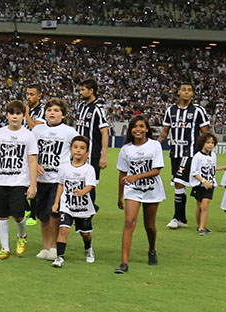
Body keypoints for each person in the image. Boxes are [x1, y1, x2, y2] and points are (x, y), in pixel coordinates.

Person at [0, 100, 38, 260]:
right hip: (0, 181)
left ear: (23, 116)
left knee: (18, 214)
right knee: (1, 215)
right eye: (12, 113)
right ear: (6, 115)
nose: (15, 117)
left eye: (18, 113)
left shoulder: (29, 135)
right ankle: (4, 249)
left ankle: (22, 236)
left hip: (19, 182)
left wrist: (33, 184)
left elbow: (32, 161)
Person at [115, 115, 165, 274]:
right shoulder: (126, 149)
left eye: (141, 126)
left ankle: (152, 249)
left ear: (147, 129)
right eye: (135, 126)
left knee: (149, 226)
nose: (138, 129)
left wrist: (136, 176)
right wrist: (120, 195)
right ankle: (124, 263)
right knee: (129, 222)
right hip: (133, 190)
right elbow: (122, 173)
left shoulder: (155, 146)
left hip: (152, 189)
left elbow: (157, 170)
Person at [158, 81, 210, 229]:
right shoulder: (170, 111)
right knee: (179, 184)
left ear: (192, 94)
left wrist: (206, 153)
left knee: (180, 182)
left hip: (191, 153)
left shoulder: (198, 111)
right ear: (179, 93)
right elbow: (165, 131)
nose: (186, 92)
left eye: (189, 90)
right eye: (183, 90)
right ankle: (182, 218)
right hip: (175, 152)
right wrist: (156, 145)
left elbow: (205, 133)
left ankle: (177, 217)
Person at [32, 98, 78, 261]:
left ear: (63, 115)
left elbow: (79, 151)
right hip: (41, 179)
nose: (52, 113)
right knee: (42, 215)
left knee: (54, 213)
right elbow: (30, 152)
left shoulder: (69, 132)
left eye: (56, 110)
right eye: (50, 109)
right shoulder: (37, 131)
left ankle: (54, 247)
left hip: (58, 180)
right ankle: (45, 247)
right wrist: (35, 164)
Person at [51, 135, 97, 268]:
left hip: (83, 207)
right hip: (67, 205)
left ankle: (88, 249)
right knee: (64, 229)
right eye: (75, 147)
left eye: (82, 148)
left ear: (87, 152)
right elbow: (60, 185)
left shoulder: (89, 169)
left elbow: (90, 185)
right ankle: (59, 257)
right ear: (71, 149)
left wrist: (83, 192)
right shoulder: (64, 168)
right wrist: (56, 202)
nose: (78, 150)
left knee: (85, 233)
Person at [74, 78, 109, 207]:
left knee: (90, 182)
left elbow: (105, 132)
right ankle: (79, 206)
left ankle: (89, 208)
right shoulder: (81, 107)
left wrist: (103, 155)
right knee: (77, 179)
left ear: (91, 91)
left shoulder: (98, 109)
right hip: (77, 152)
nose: (80, 93)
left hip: (91, 152)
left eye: (83, 90)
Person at [24, 84, 46, 225]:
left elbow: (34, 127)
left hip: (37, 149)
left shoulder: (42, 110)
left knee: (33, 180)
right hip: (25, 148)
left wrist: (26, 112)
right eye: (27, 94)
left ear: (39, 96)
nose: (28, 97)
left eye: (32, 94)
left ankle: (33, 214)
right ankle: (26, 208)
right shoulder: (30, 109)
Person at [189, 132, 218, 235]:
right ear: (202, 143)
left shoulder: (214, 155)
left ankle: (202, 228)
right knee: (199, 206)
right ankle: (200, 226)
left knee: (205, 205)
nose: (210, 145)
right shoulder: (197, 156)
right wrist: (203, 181)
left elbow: (212, 169)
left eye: (212, 143)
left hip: (210, 185)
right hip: (199, 184)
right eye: (208, 142)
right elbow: (194, 172)